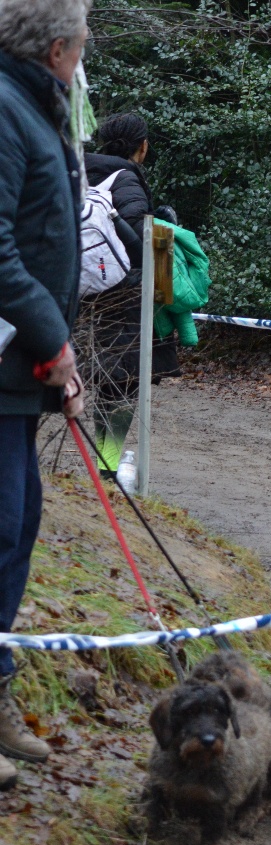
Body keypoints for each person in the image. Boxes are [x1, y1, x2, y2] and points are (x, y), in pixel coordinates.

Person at [0, 0, 90, 790]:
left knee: (18, 520)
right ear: (60, 47)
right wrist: (51, 339)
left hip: (19, 372)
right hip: (6, 364)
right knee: (1, 524)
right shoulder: (4, 107)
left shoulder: (36, 109)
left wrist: (57, 358)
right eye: (83, 45)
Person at [80, 112, 180, 482]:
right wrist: (167, 236)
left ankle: (103, 465)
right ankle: (107, 469)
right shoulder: (126, 179)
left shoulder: (81, 172)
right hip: (122, 294)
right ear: (143, 146)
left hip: (83, 290)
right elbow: (146, 239)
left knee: (102, 380)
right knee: (120, 385)